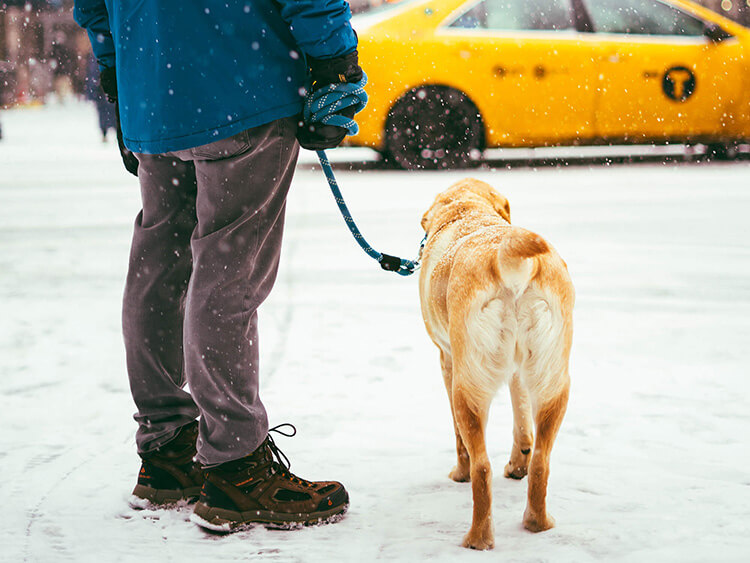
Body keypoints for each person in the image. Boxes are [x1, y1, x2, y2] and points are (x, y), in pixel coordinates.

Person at [73, 0, 364, 530]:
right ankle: (237, 467)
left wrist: (119, 73)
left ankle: (167, 451)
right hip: (242, 83)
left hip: (152, 89)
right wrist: (335, 63)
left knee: (158, 264)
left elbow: (93, 6)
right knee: (229, 272)